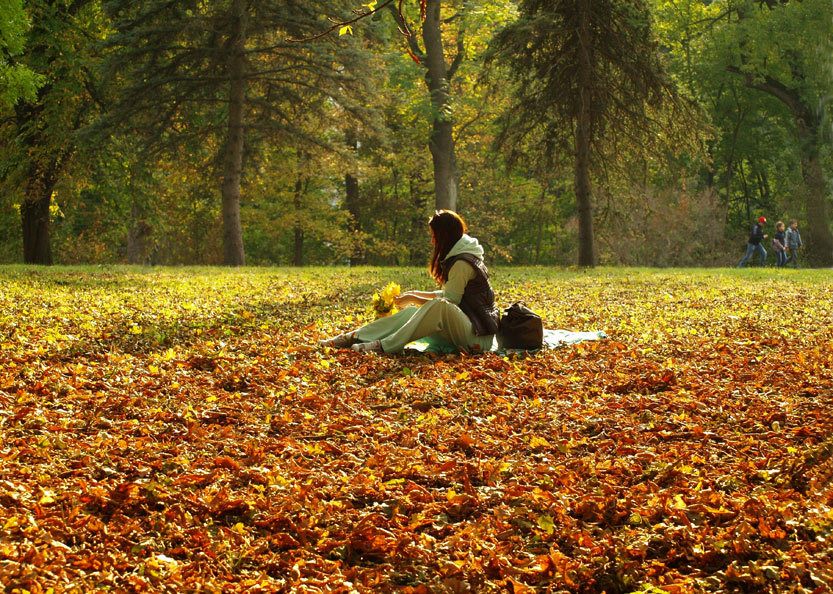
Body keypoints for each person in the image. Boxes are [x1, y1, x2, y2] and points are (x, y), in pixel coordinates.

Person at [319, 210, 499, 354]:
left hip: (477, 339)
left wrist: (417, 298)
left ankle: (384, 345)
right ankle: (351, 337)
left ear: (444, 236)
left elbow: (449, 303)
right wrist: (414, 296)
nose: (432, 241)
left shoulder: (461, 263)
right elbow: (448, 296)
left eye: (434, 236)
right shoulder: (459, 257)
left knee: (439, 306)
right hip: (464, 329)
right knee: (410, 312)